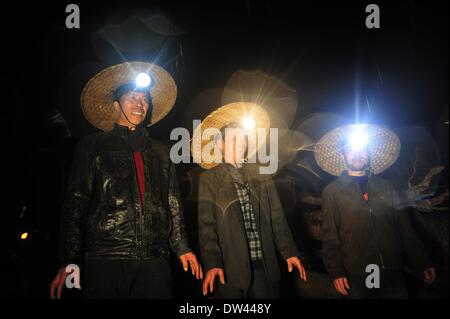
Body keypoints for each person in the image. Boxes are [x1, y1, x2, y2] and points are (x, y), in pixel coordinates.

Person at [50, 61, 202, 299]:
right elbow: (76, 204)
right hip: (105, 259)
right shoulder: (92, 147)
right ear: (116, 104)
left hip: (154, 260)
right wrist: (69, 259)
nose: (140, 104)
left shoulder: (160, 151)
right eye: (132, 97)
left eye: (144, 99)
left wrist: (182, 247)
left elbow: (173, 202)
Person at [194, 102, 307, 299]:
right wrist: (212, 263)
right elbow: (206, 227)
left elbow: (277, 218)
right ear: (220, 144)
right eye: (234, 138)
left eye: (243, 138)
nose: (241, 143)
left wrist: (289, 252)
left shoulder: (261, 175)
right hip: (230, 269)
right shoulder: (209, 179)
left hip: (265, 264)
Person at [314, 124, 436, 298]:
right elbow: (330, 237)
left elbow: (405, 228)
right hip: (358, 275)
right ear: (343, 154)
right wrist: (336, 272)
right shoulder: (332, 192)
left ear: (369, 154)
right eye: (351, 149)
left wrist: (423, 261)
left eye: (363, 149)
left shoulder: (386, 186)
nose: (357, 154)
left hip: (394, 272)